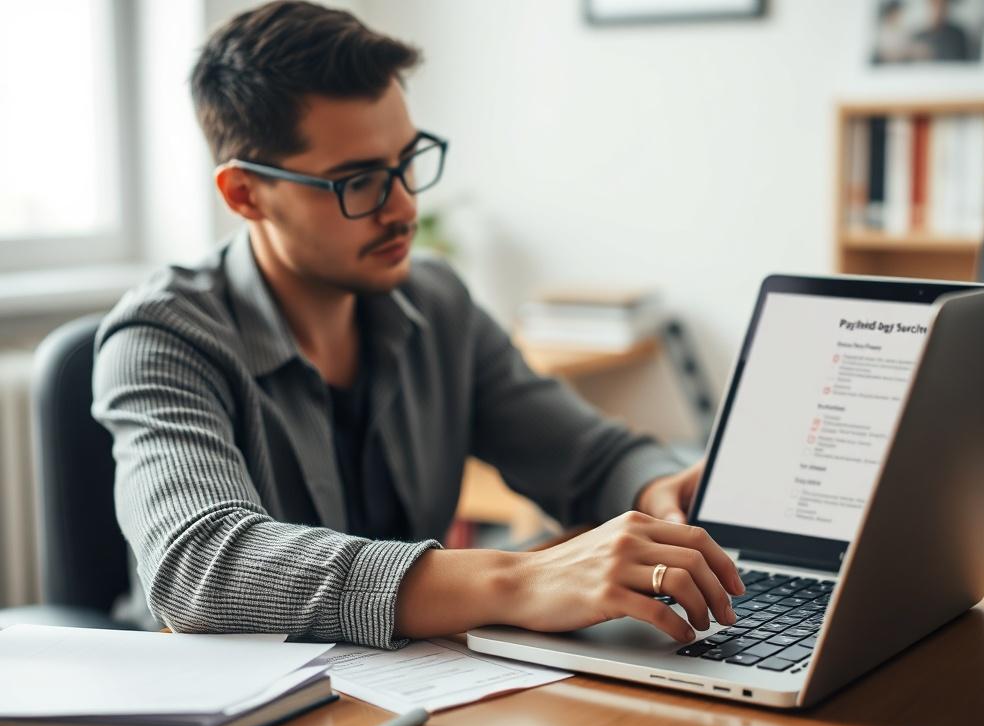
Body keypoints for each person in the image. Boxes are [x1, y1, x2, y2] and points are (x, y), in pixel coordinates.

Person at [92, 0, 742, 649]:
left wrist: (659, 494)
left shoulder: (437, 303)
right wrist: (522, 580)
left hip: (406, 695)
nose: (405, 206)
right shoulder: (160, 338)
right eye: (358, 181)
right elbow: (201, 567)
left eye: (406, 161)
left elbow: (591, 459)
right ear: (244, 194)